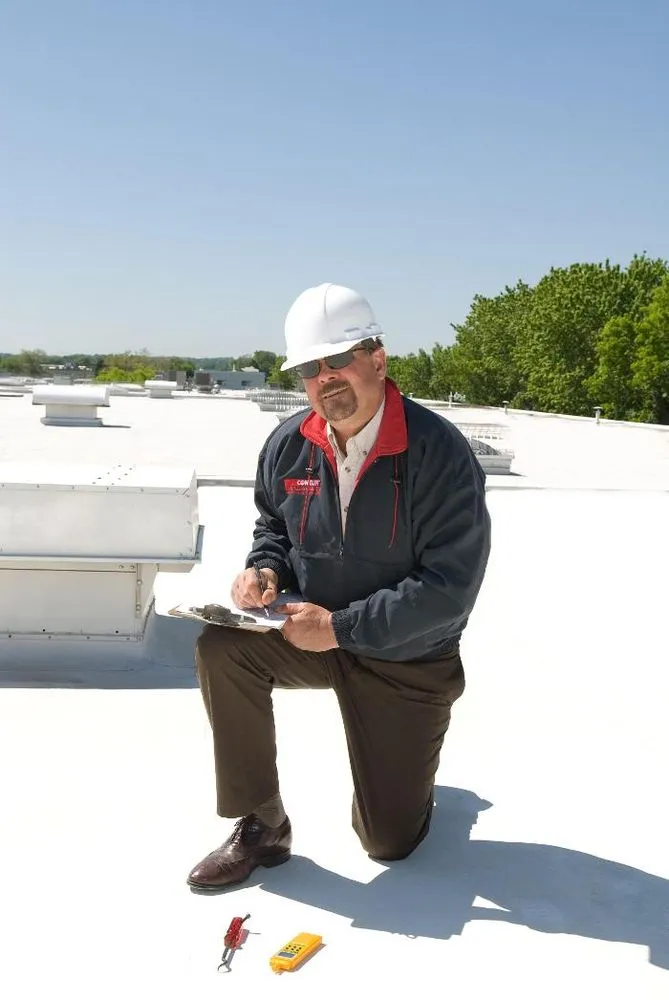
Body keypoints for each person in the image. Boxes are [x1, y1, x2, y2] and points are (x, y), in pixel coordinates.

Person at [187, 282, 491, 893]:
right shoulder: (288, 446)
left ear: (377, 358)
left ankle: (412, 777)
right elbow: (273, 524)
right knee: (221, 648)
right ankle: (263, 823)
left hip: (407, 659)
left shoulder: (440, 455)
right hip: (310, 634)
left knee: (389, 844)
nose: (324, 378)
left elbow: (448, 589)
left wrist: (339, 629)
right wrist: (265, 571)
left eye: (338, 359)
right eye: (309, 367)